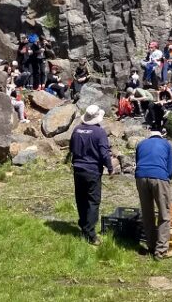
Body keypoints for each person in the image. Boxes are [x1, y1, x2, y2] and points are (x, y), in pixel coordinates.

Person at [69, 105, 114, 245]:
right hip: (92, 170)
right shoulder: (99, 132)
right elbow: (104, 153)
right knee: (93, 201)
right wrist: (110, 167)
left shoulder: (76, 130)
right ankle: (90, 233)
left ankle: (83, 225)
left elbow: (71, 148)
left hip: (78, 169)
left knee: (81, 199)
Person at [135, 129, 172, 261]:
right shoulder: (166, 144)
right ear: (161, 135)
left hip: (141, 177)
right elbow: (169, 169)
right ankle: (161, 251)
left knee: (147, 213)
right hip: (159, 177)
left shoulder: (141, 144)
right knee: (164, 214)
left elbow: (138, 162)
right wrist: (166, 179)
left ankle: (151, 246)